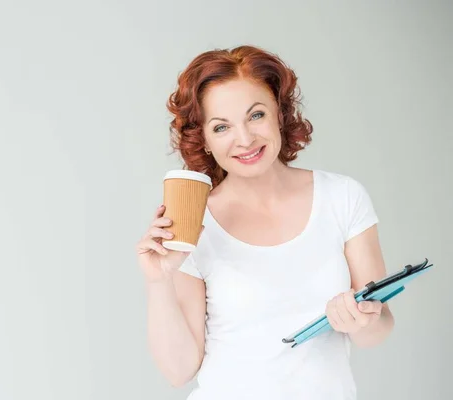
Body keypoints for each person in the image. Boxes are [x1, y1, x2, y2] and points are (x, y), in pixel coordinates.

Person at [135, 45, 395, 400]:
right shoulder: (195, 223)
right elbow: (178, 371)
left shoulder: (342, 198)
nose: (244, 139)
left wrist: (364, 318)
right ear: (205, 140)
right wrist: (158, 281)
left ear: (279, 114)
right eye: (222, 126)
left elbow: (377, 329)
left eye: (255, 116)